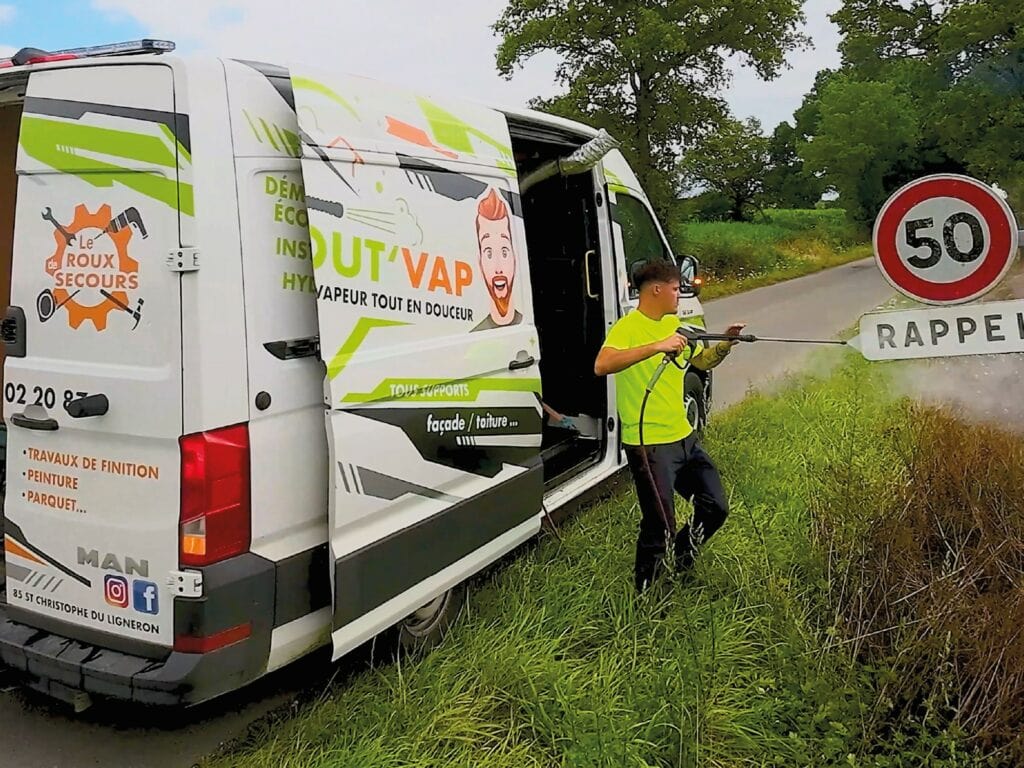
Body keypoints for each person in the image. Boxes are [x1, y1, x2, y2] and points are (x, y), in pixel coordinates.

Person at [594, 260, 745, 593]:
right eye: (676, 289)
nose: (680, 295)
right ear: (657, 290)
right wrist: (655, 346)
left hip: (683, 439)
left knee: (715, 506)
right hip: (648, 445)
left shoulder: (675, 324)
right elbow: (602, 365)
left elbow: (701, 361)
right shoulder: (628, 327)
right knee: (659, 524)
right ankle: (649, 597)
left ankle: (683, 556)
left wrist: (725, 345)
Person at [471, 187, 523, 332]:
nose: (498, 267)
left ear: (515, 258)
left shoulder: (524, 323)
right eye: (488, 253)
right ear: (479, 263)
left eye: (504, 252)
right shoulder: (474, 333)